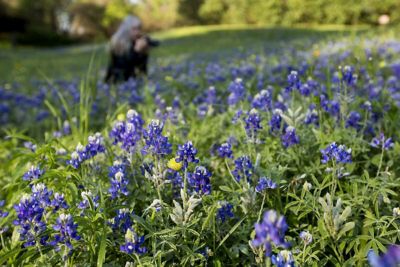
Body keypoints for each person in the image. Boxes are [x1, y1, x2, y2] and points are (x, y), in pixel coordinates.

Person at [105, 15, 159, 83]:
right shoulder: (118, 43)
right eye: (134, 29)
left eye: (139, 28)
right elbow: (124, 68)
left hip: (134, 81)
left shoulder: (136, 41)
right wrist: (136, 51)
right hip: (117, 81)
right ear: (126, 29)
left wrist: (144, 52)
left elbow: (142, 70)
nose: (137, 32)